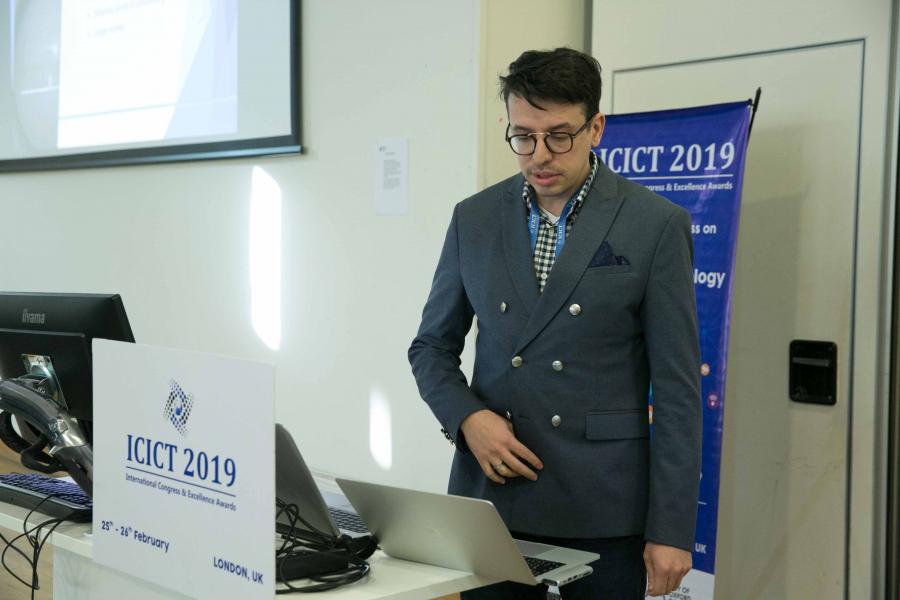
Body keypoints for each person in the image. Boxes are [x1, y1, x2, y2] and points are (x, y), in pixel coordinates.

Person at [408, 47, 701, 599]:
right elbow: (430, 347)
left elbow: (678, 391)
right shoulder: (475, 217)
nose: (539, 155)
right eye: (523, 136)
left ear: (596, 128)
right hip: (493, 499)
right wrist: (469, 419)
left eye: (559, 136)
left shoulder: (655, 224)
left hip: (603, 507)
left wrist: (671, 529)